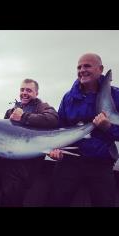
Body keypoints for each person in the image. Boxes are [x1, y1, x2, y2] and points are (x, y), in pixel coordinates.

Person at [0, 78, 59, 207]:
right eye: (22, 89)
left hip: (23, 167)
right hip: (0, 160)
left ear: (36, 93)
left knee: (11, 200)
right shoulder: (10, 112)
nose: (24, 92)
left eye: (29, 90)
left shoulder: (42, 107)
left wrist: (24, 117)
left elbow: (53, 119)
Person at [48, 53, 119, 207]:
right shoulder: (68, 98)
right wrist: (55, 148)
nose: (82, 70)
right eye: (79, 67)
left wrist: (108, 127)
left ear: (100, 69)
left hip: (101, 163)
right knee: (55, 201)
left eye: (87, 66)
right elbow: (60, 127)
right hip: (70, 161)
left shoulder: (116, 96)